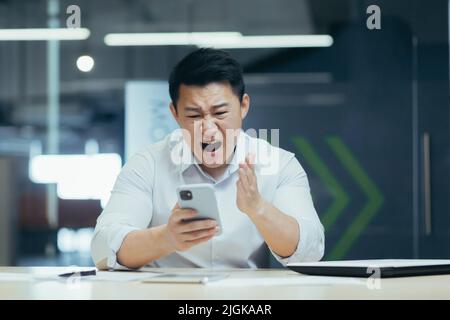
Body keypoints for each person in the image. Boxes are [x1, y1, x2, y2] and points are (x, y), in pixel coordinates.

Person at [91, 48, 324, 270]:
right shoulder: (148, 164)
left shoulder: (281, 165)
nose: (208, 130)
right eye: (194, 115)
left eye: (220, 113)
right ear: (175, 114)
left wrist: (259, 208)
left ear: (243, 106)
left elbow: (310, 251)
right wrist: (165, 238)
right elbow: (102, 248)